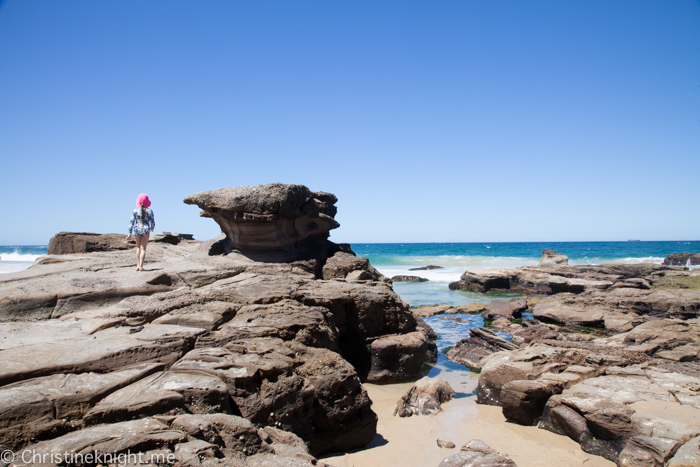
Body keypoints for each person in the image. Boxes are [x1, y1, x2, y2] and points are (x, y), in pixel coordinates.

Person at [126, 194, 155, 271]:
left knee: (138, 247)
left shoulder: (135, 211)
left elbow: (131, 222)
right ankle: (141, 266)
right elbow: (152, 223)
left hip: (137, 229)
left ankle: (137, 265)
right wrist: (151, 229)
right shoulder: (150, 211)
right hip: (145, 230)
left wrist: (129, 233)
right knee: (143, 249)